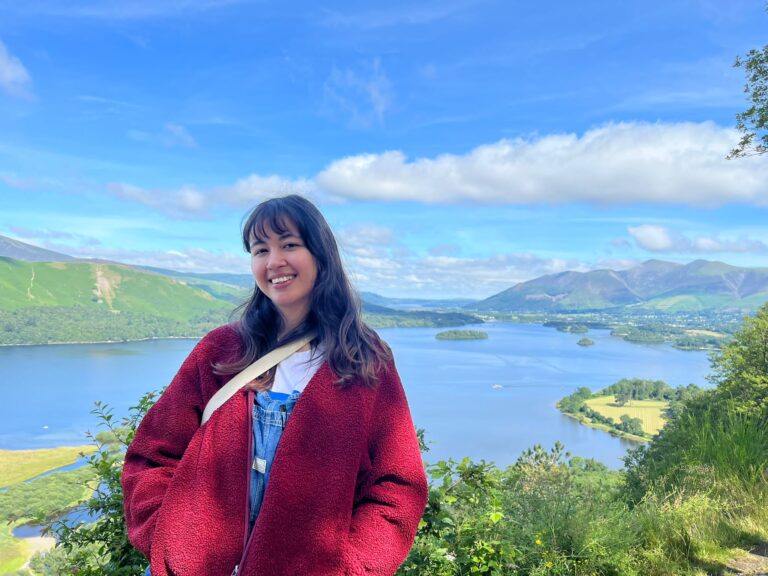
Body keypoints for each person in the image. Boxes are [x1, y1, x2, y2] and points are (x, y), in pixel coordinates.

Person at [122, 195, 428, 576]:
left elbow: (398, 486)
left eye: (289, 245)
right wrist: (168, 540)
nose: (274, 261)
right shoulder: (220, 351)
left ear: (320, 255)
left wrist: (351, 567)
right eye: (260, 249)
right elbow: (151, 455)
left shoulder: (364, 360)